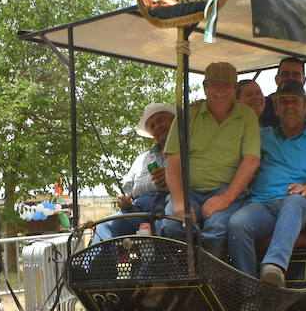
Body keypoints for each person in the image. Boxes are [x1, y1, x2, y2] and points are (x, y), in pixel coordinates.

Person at [228, 80, 306, 285]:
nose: (289, 106)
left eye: (294, 101)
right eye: (283, 102)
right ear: (277, 108)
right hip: (261, 203)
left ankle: (274, 267)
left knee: (295, 200)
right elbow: (230, 144)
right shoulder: (263, 136)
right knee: (237, 224)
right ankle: (249, 293)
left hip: (296, 201)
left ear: (305, 105)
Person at [157, 61, 260, 255]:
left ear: (235, 88)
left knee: (216, 227)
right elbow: (173, 162)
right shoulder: (187, 115)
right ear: (205, 87)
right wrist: (179, 201)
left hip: (227, 190)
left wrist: (226, 197)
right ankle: (181, 281)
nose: (221, 90)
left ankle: (213, 283)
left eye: (227, 85)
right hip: (190, 192)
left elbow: (251, 160)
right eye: (215, 84)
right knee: (172, 225)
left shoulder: (247, 116)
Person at [92, 102, 175, 242]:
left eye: (160, 120)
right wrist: (123, 200)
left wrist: (173, 177)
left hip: (170, 209)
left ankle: (154, 264)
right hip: (138, 211)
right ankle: (91, 264)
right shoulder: (141, 159)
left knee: (167, 230)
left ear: (174, 121)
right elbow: (125, 192)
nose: (157, 127)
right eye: (152, 126)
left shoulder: (190, 152)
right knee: (105, 226)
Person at [259, 56, 306, 127]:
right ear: (277, 79)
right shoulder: (260, 106)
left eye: (296, 75)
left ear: (304, 81)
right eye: (285, 74)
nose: (290, 78)